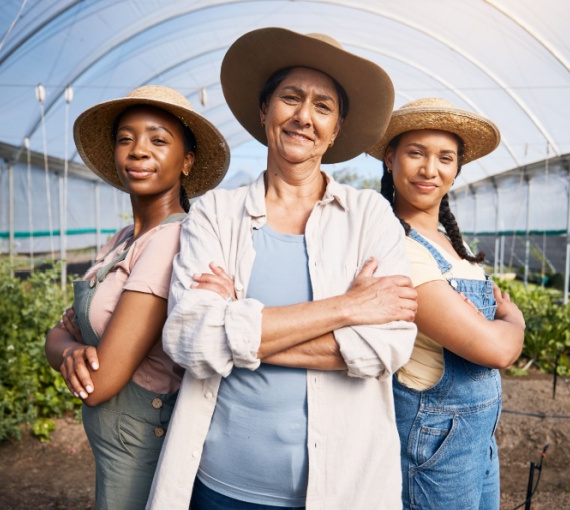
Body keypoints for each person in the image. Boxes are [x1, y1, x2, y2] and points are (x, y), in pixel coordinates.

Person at [147, 28, 417, 510]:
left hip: (344, 489)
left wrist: (235, 327)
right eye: (290, 98)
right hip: (224, 485)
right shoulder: (215, 214)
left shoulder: (370, 216)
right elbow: (189, 340)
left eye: (323, 106)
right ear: (264, 110)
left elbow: (389, 345)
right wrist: (348, 307)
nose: (303, 116)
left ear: (335, 130)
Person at [45, 85, 229, 509]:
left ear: (186, 162)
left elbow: (98, 382)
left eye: (158, 140)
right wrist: (67, 347)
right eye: (125, 139)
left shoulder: (172, 241)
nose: (138, 151)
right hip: (115, 441)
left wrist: (67, 348)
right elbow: (57, 333)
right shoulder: (124, 238)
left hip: (140, 441)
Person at [367, 98, 526, 510]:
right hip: (435, 440)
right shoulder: (397, 246)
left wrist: (494, 325)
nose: (429, 169)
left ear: (456, 171)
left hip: (477, 436)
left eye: (445, 158)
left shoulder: (446, 241)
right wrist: (513, 318)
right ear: (390, 158)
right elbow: (498, 349)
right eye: (415, 153)